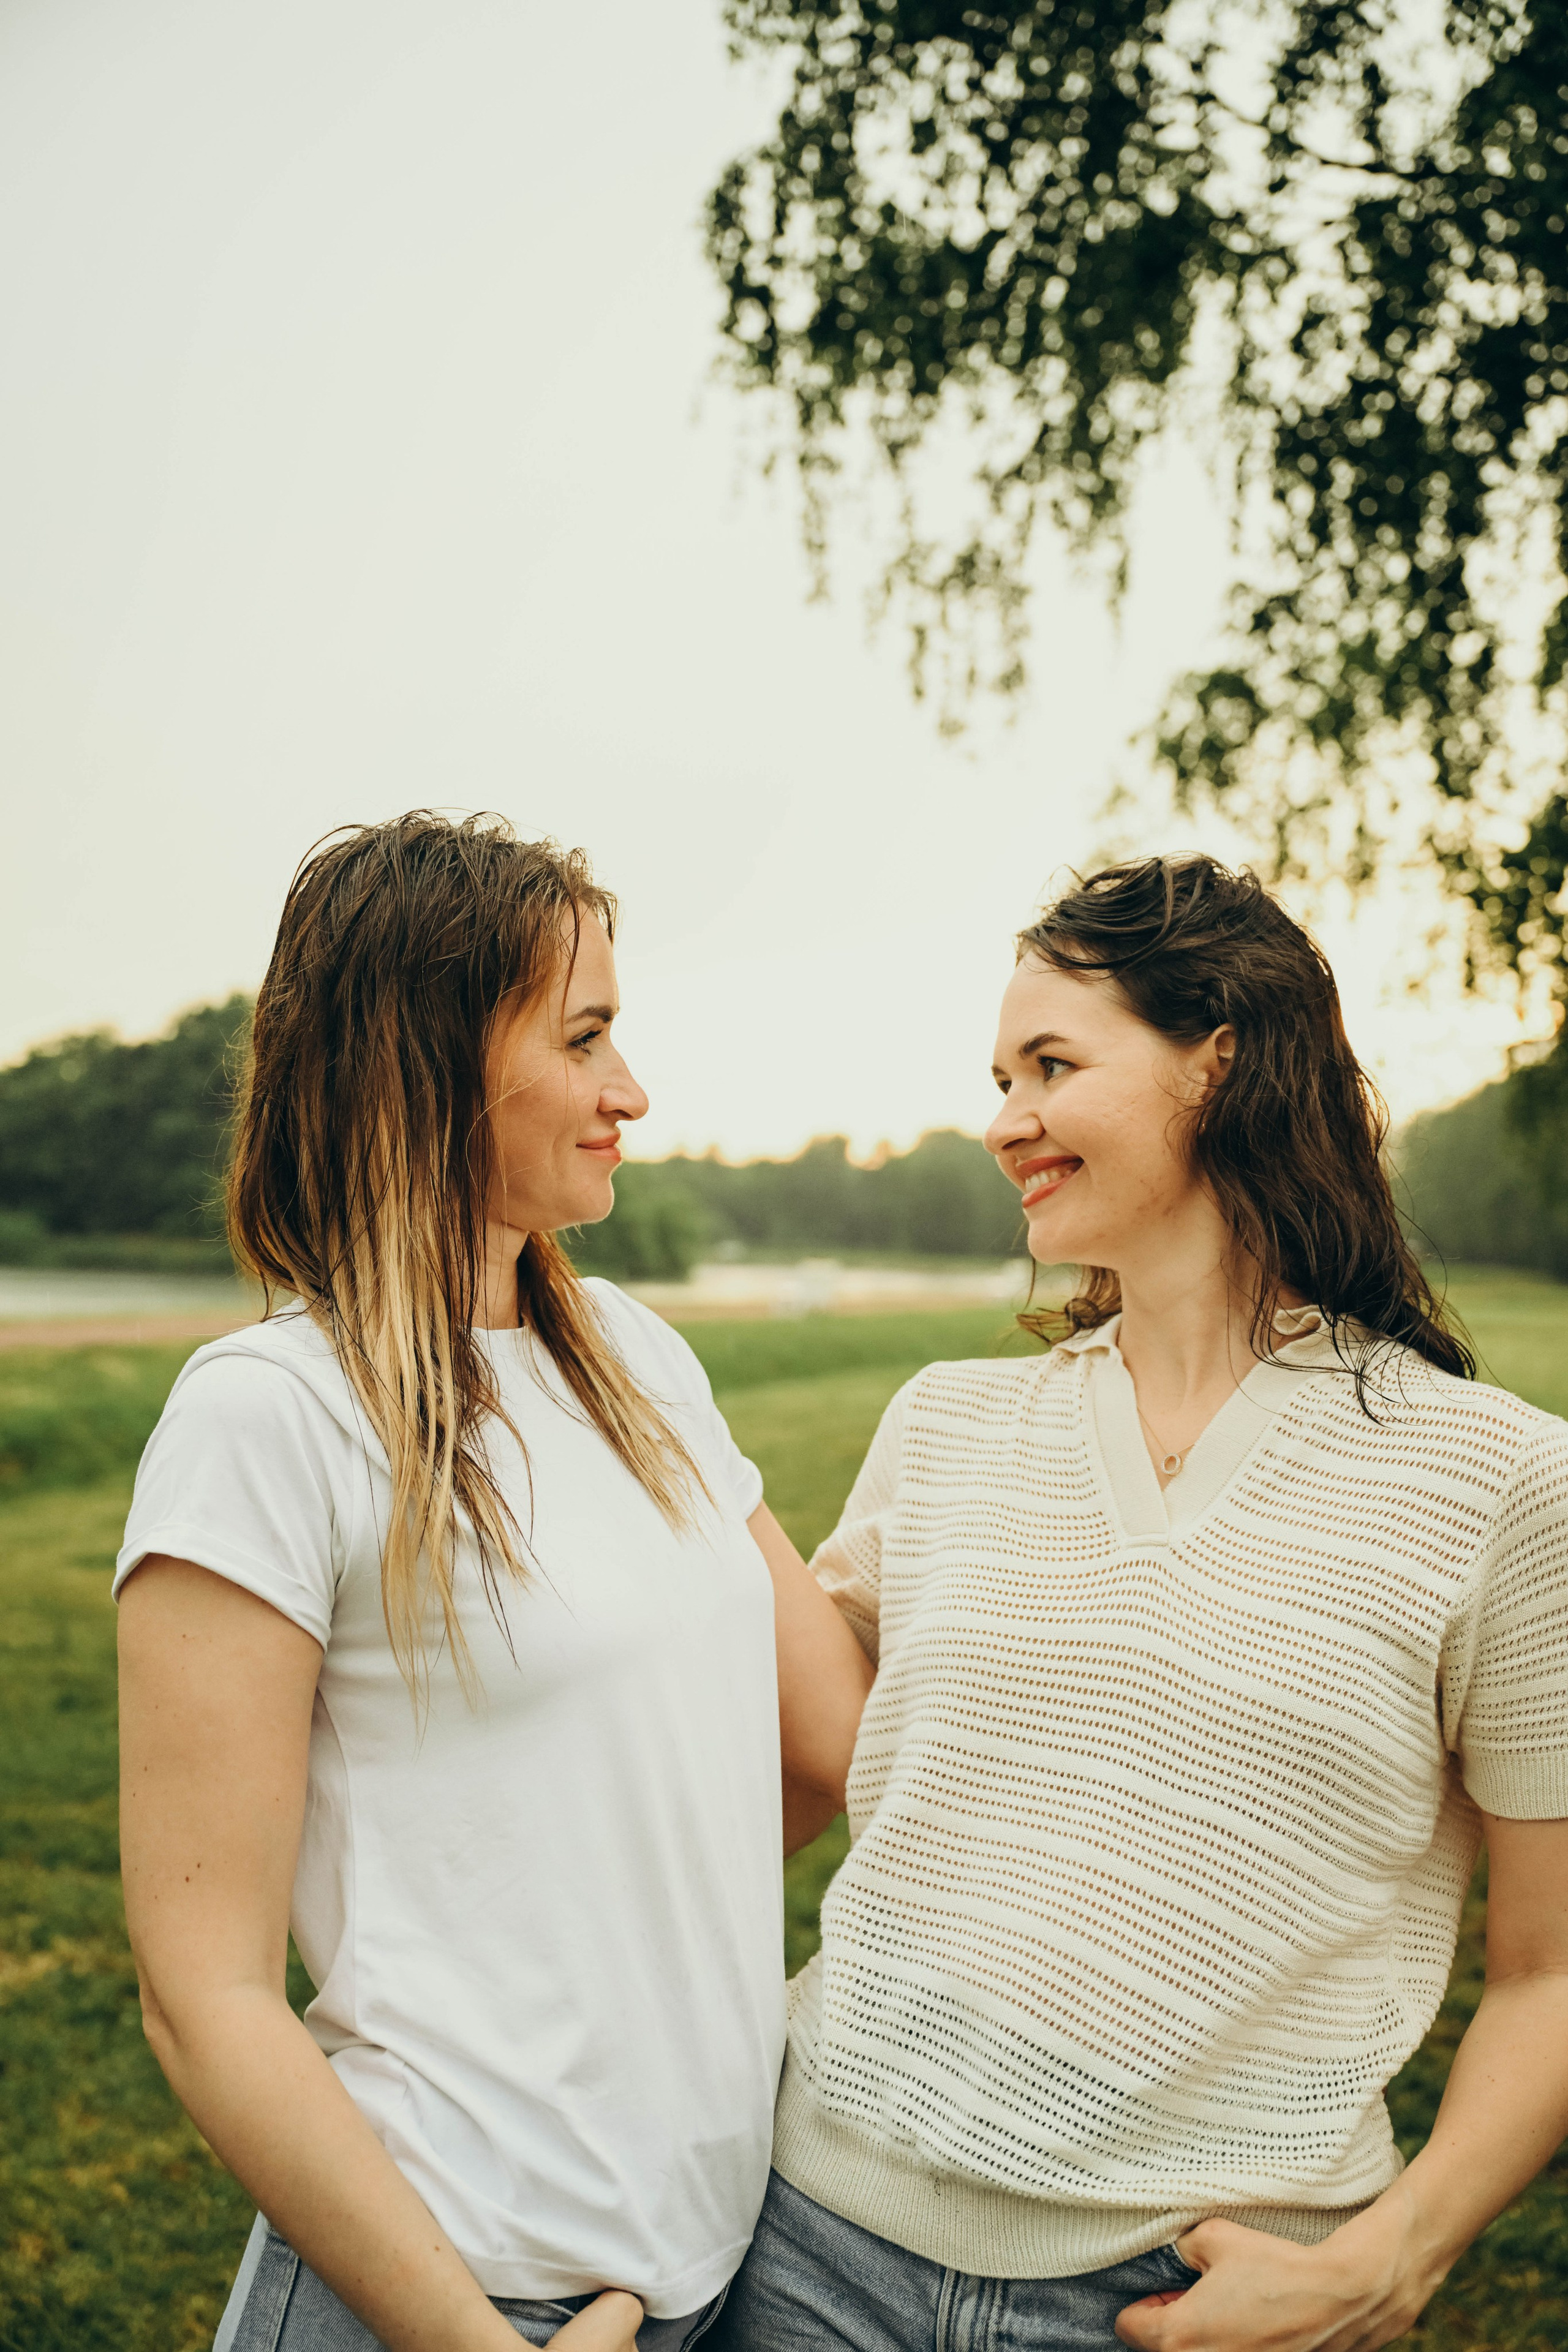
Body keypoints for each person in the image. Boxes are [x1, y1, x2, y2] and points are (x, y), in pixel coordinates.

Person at [717, 854, 1568, 2352]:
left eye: (1052, 1064)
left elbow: (1550, 1970)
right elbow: (801, 1766)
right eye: (996, 1076)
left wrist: (1397, 2258)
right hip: (801, 2249)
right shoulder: (944, 1426)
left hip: (1187, 2303)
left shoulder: (1495, 1482)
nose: (1001, 1123)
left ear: (1221, 1063)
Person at [115, 812, 871, 2352]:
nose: (629, 1092)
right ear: (427, 1062)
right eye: (584, 1038)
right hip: (444, 2297)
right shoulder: (269, 1416)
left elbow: (824, 1740)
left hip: (707, 2275)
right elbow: (204, 1999)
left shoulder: (642, 1366)